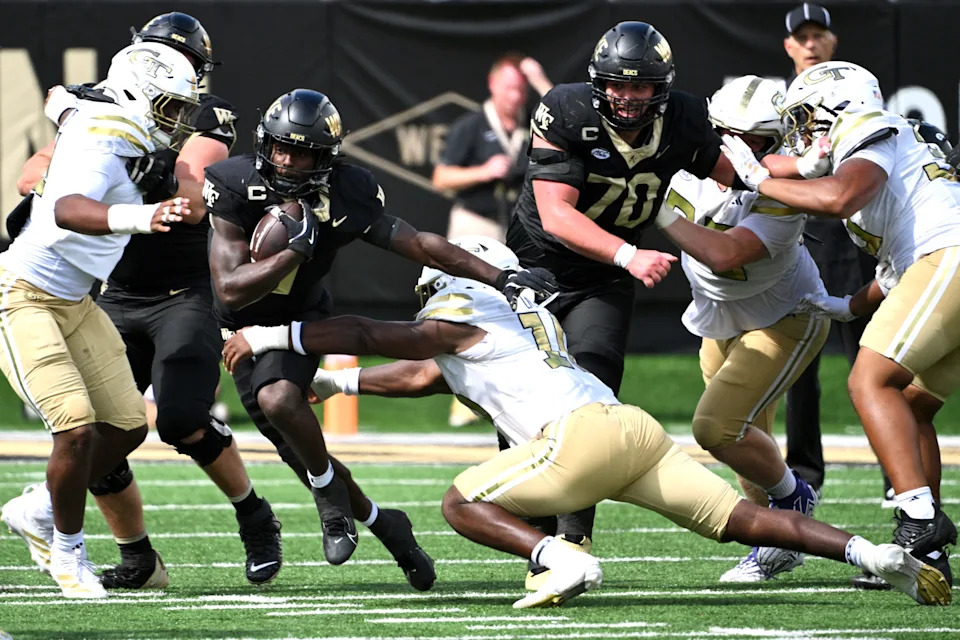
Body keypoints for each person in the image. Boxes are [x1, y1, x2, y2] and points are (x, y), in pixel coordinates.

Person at [220, 236, 951, 610]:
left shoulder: (459, 307)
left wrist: (276, 338)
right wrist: (337, 382)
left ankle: (559, 558)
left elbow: (404, 342)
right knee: (742, 520)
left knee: (461, 502)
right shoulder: (513, 310)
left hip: (576, 437)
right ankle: (872, 554)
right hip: (627, 426)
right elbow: (420, 373)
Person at [205, 88, 556, 585]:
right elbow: (230, 289)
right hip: (236, 325)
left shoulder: (348, 190)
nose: (285, 160)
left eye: (300, 151)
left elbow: (420, 244)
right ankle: (387, 526)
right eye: (279, 147)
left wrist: (500, 278)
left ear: (324, 157)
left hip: (300, 319)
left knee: (282, 399)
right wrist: (294, 253)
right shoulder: (233, 182)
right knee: (301, 453)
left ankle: (329, 501)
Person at [7, 12, 283, 590]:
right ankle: (133, 556)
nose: (183, 110)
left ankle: (254, 516)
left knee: (177, 416)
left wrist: (141, 178)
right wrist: (72, 178)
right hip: (106, 286)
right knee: (102, 424)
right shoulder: (104, 111)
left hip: (181, 286)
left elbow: (193, 190)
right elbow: (35, 174)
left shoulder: (196, 114)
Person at [503, 20, 745, 589]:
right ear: (597, 82)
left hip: (603, 278)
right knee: (516, 398)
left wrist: (802, 177)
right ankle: (533, 521)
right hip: (536, 266)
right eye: (618, 85)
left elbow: (741, 175)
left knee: (593, 389)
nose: (628, 97)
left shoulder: (684, 118)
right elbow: (558, 214)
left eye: (641, 87)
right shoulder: (565, 110)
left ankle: (573, 536)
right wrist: (628, 254)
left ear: (661, 86)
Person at [721, 60, 959, 589]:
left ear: (837, 107)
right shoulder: (889, 146)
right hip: (938, 264)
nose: (802, 131)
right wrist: (847, 306)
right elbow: (894, 270)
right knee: (912, 405)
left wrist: (760, 178)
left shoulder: (864, 126)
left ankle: (918, 522)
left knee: (869, 380)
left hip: (947, 259)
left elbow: (838, 197)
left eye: (807, 116)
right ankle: (929, 556)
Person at [0, 42, 199, 598]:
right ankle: (68, 553)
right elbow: (68, 208)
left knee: (128, 424)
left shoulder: (109, 118)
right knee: (76, 427)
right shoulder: (107, 128)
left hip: (78, 300)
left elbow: (69, 108)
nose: (176, 118)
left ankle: (37, 512)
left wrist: (61, 105)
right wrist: (145, 215)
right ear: (139, 89)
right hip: (23, 293)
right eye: (170, 104)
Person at [654, 75, 827, 581]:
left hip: (781, 317)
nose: (737, 150)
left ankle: (794, 502)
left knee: (716, 428)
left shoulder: (789, 190)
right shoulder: (689, 157)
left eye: (754, 140)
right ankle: (778, 541)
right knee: (746, 440)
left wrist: (654, 212)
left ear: (778, 141)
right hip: (717, 314)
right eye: (727, 134)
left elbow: (724, 252)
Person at [432, 53, 552, 427]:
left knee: (519, 306)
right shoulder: (472, 124)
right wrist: (484, 171)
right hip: (475, 224)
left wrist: (539, 77)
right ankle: (459, 390)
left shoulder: (533, 125)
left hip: (515, 227)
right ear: (493, 86)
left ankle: (514, 390)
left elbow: (567, 117)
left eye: (520, 89)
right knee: (465, 306)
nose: (515, 96)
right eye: (509, 88)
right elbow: (441, 178)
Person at [780, 2, 868, 500]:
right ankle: (804, 475)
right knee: (798, 365)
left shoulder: (856, 97)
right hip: (794, 239)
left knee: (872, 358)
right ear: (789, 46)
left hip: (852, 238)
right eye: (803, 36)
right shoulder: (776, 101)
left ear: (832, 43)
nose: (811, 44)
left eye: (820, 35)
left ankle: (893, 477)